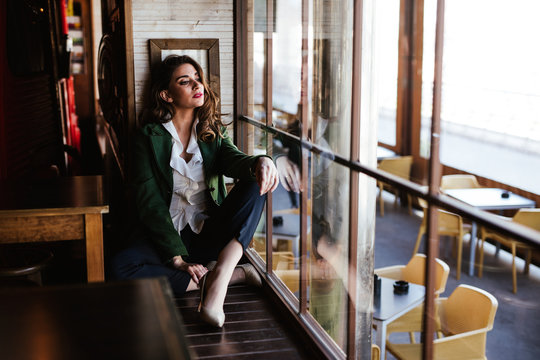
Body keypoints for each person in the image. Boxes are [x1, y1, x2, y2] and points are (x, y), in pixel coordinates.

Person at [111, 55, 279, 328]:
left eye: (197, 78)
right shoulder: (148, 137)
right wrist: (176, 260)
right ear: (166, 94)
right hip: (168, 236)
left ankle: (221, 278)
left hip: (209, 233)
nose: (196, 84)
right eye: (184, 81)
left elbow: (236, 160)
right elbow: (150, 203)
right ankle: (236, 275)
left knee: (255, 182)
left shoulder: (212, 132)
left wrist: (262, 161)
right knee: (120, 268)